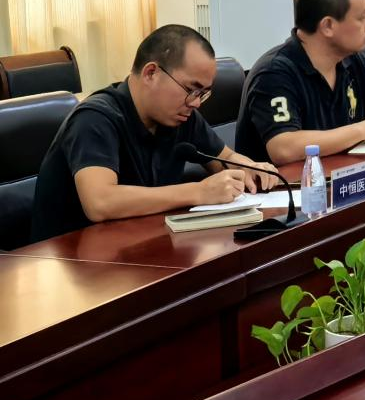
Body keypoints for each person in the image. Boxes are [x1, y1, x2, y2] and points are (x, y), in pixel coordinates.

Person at [30, 25, 280, 243]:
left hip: (141, 244)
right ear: (151, 73)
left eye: (203, 94)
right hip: (72, 261)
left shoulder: (181, 115)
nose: (196, 103)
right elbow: (100, 202)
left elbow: (224, 159)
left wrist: (250, 169)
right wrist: (198, 192)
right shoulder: (95, 119)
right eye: (191, 90)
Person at [235, 0, 365, 164]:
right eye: (361, 17)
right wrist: (363, 130)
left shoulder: (354, 60)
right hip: (291, 182)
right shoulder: (273, 72)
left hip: (344, 173)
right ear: (328, 26)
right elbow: (283, 147)